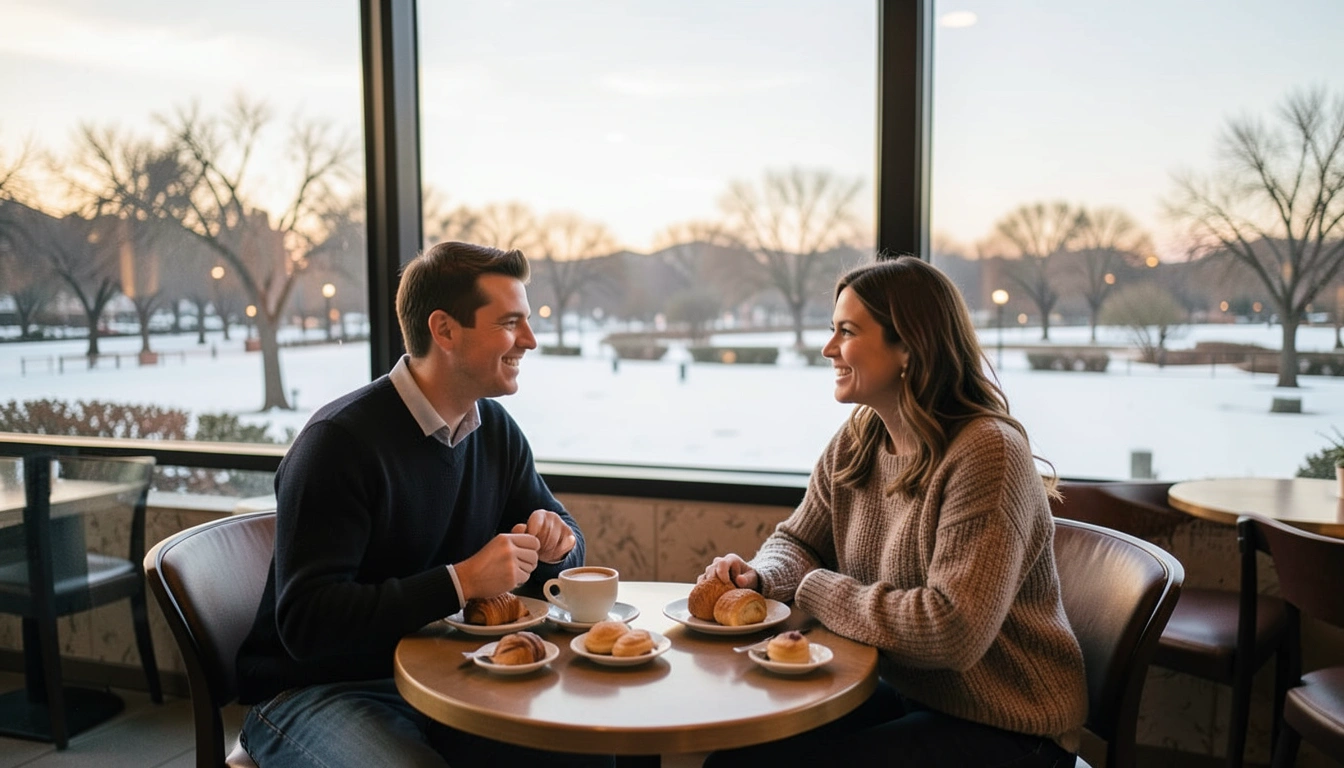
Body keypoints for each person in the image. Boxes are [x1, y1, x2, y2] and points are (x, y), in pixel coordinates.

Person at [700, 256, 1087, 768]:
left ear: (908, 345)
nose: (828, 348)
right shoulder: (861, 438)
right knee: (738, 757)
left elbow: (951, 630)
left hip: (1009, 725)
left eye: (847, 331)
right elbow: (798, 542)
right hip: (910, 695)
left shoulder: (988, 453)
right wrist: (763, 576)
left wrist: (811, 587)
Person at [235, 241, 610, 768]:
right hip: (318, 690)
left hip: (449, 673)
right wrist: (459, 583)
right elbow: (307, 625)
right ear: (445, 330)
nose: (529, 340)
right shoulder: (337, 443)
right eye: (509, 323)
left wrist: (556, 542)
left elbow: (567, 544)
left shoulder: (494, 430)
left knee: (582, 751)